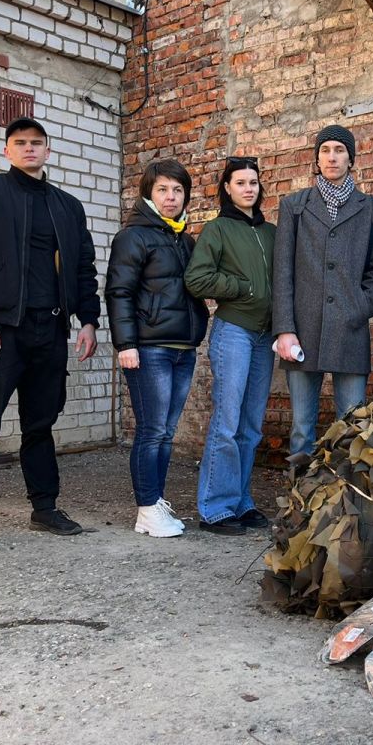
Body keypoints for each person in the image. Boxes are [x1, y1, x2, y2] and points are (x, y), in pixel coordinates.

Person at [0, 117, 100, 555]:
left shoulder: (68, 206)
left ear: (48, 151)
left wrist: (87, 320)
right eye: (21, 143)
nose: (29, 149)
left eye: (37, 143)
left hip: (50, 328)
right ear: (7, 151)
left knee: (41, 424)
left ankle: (45, 507)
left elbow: (83, 269)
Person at [105, 160, 209, 538]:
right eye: (163, 189)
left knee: (166, 430)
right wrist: (125, 344)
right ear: (149, 193)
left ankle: (155, 500)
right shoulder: (134, 236)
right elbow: (119, 292)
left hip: (182, 347)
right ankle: (147, 508)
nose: (171, 197)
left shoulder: (183, 237)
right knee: (151, 430)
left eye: (178, 190)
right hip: (149, 349)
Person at [272, 125, 373, 458]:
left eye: (339, 150)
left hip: (350, 328)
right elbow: (283, 271)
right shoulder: (294, 205)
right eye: (325, 150)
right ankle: (298, 501)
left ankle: (344, 505)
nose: (332, 156)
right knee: (301, 427)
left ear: (351, 158)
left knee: (352, 425)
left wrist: (361, 306)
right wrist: (285, 329)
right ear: (316, 159)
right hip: (303, 330)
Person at [184, 157, 277, 536]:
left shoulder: (271, 233)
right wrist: (243, 289)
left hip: (264, 336)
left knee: (251, 425)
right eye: (240, 182)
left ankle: (241, 501)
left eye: (253, 182)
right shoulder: (217, 229)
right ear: (227, 187)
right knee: (227, 421)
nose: (248, 188)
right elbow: (197, 278)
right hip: (234, 331)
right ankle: (215, 507)